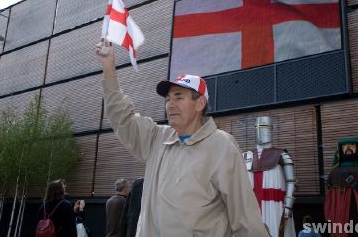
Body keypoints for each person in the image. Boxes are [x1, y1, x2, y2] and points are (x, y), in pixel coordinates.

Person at [96, 40, 269, 237]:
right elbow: (122, 118)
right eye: (168, 99)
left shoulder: (222, 146)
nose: (170, 104)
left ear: (199, 103)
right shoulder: (157, 138)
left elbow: (246, 220)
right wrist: (108, 68)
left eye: (178, 97)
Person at [243, 116, 296, 237]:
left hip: (275, 207)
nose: (261, 131)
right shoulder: (247, 156)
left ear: (270, 129)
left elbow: (291, 181)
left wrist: (288, 206)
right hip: (251, 207)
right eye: (258, 128)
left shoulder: (282, 154)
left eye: (264, 127)